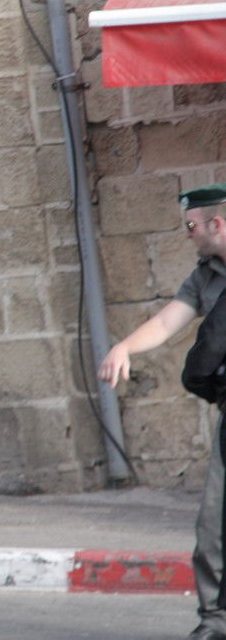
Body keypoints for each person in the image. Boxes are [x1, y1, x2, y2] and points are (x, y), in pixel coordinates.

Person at [97, 185, 226, 640]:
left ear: (216, 224)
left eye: (191, 226)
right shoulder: (206, 277)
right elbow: (169, 321)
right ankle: (216, 621)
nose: (187, 234)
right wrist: (124, 347)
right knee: (214, 523)